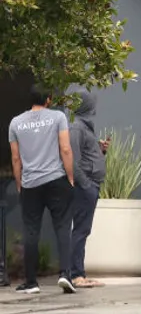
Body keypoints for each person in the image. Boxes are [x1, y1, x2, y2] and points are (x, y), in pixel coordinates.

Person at [8, 89, 76, 295]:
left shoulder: (15, 123)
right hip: (56, 180)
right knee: (63, 227)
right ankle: (65, 274)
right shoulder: (58, 117)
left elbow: (16, 158)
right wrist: (70, 177)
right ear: (48, 99)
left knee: (31, 231)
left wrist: (20, 184)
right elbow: (65, 149)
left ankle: (31, 282)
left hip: (30, 185)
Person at [67, 89, 108, 289]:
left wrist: (100, 151)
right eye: (92, 104)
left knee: (84, 229)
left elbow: (85, 154)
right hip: (86, 186)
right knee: (81, 230)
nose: (95, 108)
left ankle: (79, 273)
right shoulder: (77, 128)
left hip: (91, 185)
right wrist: (86, 184)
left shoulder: (86, 128)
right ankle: (76, 275)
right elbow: (73, 161)